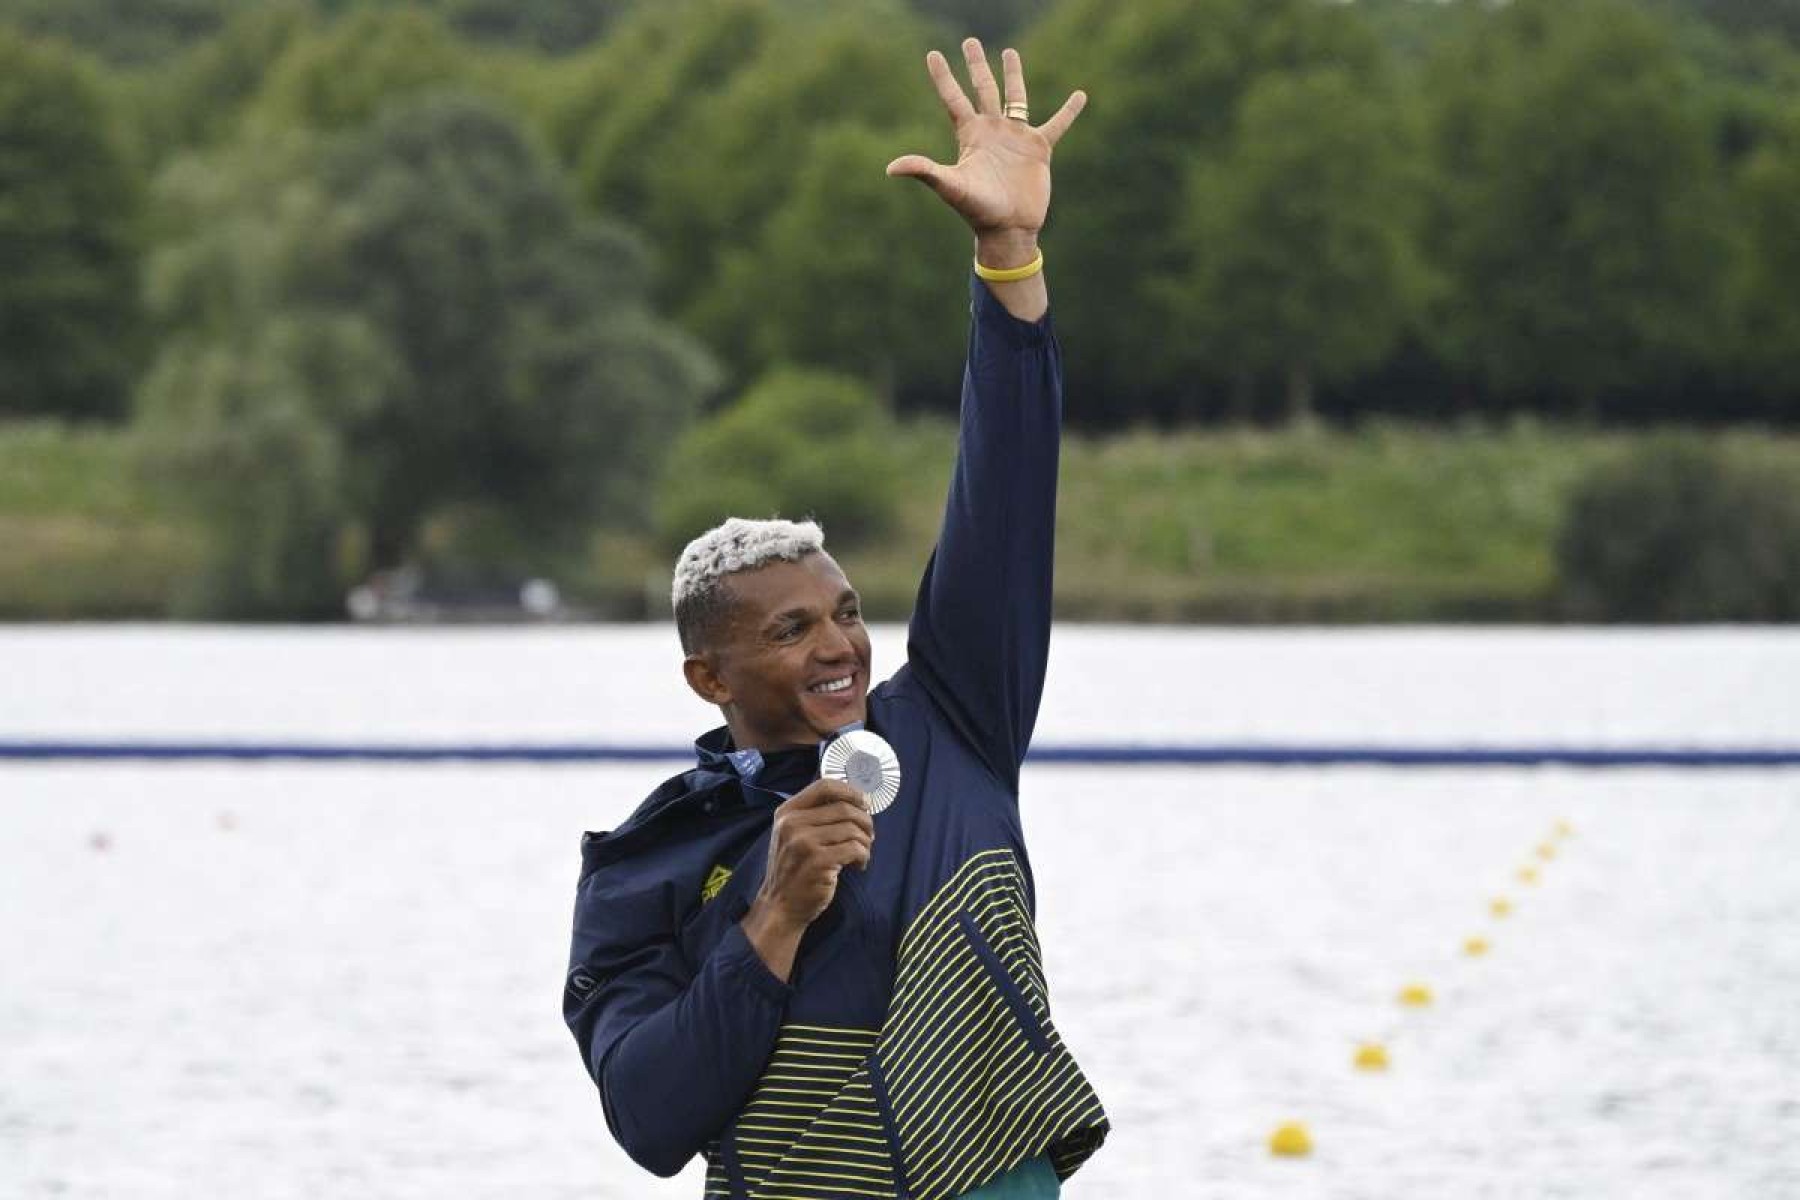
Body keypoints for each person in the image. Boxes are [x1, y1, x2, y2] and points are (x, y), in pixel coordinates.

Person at [564, 38, 1105, 1200]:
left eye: (849, 615)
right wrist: (774, 916)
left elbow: (1006, 500)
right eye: (791, 630)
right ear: (708, 679)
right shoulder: (643, 869)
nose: (840, 646)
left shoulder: (952, 723)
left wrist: (1008, 260)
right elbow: (650, 1121)